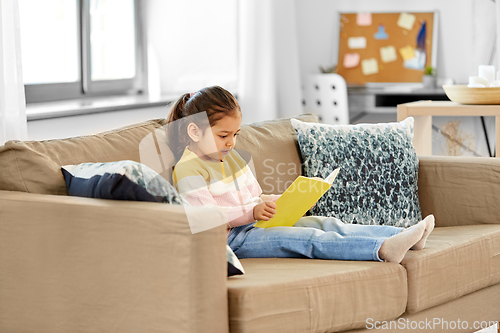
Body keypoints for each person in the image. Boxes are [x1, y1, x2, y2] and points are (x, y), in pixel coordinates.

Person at [168, 86, 434, 263]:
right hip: (232, 240)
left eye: (235, 135)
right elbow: (204, 219)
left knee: (326, 224)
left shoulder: (233, 157)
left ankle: (402, 233)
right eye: (223, 136)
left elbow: (255, 197)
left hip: (256, 224)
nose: (231, 143)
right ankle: (381, 248)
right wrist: (251, 213)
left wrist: (284, 200)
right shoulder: (188, 168)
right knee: (309, 239)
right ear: (194, 131)